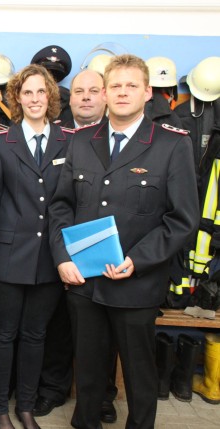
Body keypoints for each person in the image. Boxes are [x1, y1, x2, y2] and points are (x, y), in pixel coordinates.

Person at [48, 54, 199, 429]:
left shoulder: (171, 144)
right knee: (87, 369)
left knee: (138, 373)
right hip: (85, 282)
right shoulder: (81, 141)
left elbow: (182, 220)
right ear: (104, 93)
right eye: (115, 85)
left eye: (132, 85)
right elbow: (61, 205)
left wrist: (138, 260)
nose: (122, 92)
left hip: (137, 281)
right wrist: (62, 256)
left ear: (147, 92)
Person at [0, 64, 71, 429]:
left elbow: (71, 203)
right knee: (2, 334)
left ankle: (25, 407)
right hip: (6, 257)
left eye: (40, 92)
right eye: (27, 93)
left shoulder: (69, 141)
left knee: (36, 335)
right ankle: (0, 407)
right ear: (17, 98)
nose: (34, 99)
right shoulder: (0, 143)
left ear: (50, 98)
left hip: (50, 258)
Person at [34, 68, 119, 424]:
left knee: (107, 333)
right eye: (78, 91)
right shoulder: (60, 134)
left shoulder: (119, 135)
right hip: (62, 248)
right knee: (59, 327)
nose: (84, 97)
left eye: (92, 90)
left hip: (111, 253)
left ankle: (101, 397)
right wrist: (62, 254)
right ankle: (53, 389)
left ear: (105, 95)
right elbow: (55, 199)